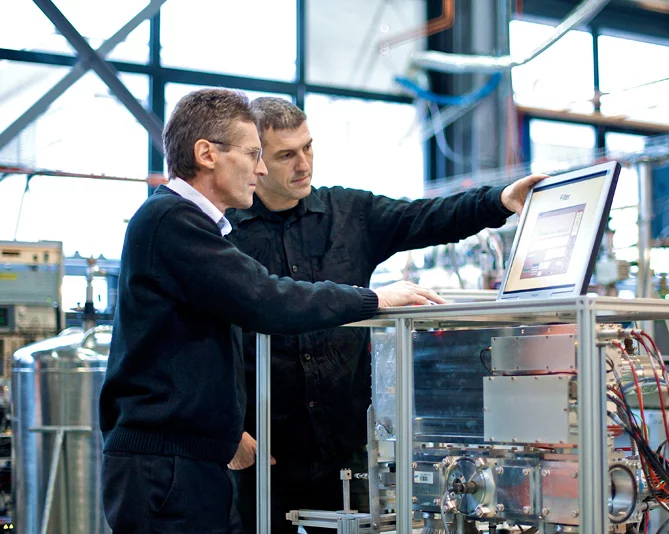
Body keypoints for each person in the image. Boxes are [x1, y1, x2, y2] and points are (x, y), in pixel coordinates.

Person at [98, 88, 443, 534]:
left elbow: (202, 345)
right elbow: (266, 299)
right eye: (253, 154)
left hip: (185, 459)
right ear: (207, 153)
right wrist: (374, 298)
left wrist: (224, 431)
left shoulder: (187, 223)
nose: (260, 169)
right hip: (165, 466)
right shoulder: (173, 221)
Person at [226, 97, 544, 533]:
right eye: (286, 155)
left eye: (308, 147)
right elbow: (200, 337)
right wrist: (228, 429)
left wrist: (500, 200)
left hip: (348, 449)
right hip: (261, 449)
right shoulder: (225, 233)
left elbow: (427, 216)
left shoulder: (349, 215)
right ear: (257, 161)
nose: (304, 164)